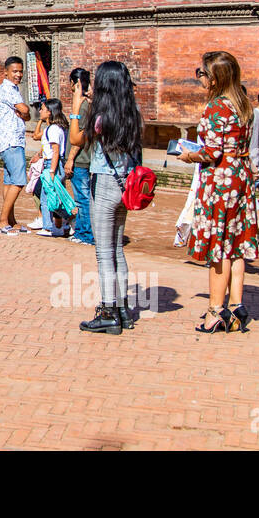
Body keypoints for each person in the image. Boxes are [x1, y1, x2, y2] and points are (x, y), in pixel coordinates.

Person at [177, 51, 259, 333]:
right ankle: (236, 305)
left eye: (201, 73)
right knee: (236, 244)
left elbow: (212, 152)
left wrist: (189, 155)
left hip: (220, 180)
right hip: (240, 176)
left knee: (219, 244)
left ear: (214, 78)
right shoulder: (244, 105)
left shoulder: (217, 107)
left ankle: (215, 310)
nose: (199, 77)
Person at [73, 61, 143, 334]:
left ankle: (108, 311)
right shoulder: (132, 112)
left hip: (103, 183)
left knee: (103, 252)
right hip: (124, 183)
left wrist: (76, 106)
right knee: (117, 249)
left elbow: (77, 139)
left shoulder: (100, 116)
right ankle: (123, 309)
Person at [0, 56, 31, 235]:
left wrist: (24, 113)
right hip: (11, 140)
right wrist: (24, 112)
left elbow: (26, 114)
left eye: (20, 71)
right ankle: (1, 220)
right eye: (14, 71)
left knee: (9, 181)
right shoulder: (7, 89)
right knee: (19, 180)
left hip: (11, 141)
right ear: (6, 72)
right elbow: (25, 110)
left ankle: (10, 220)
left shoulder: (13, 90)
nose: (18, 75)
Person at [31, 98, 71, 237]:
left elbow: (55, 151)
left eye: (42, 109)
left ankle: (65, 219)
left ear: (49, 112)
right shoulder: (52, 128)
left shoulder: (54, 129)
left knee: (49, 197)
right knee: (49, 197)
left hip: (52, 165)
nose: (40, 111)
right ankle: (51, 226)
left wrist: (52, 170)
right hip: (51, 164)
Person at [65, 67, 94, 247]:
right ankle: (83, 231)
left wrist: (70, 159)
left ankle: (86, 234)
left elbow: (79, 137)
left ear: (74, 84)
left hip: (81, 160)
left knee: (83, 199)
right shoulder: (87, 104)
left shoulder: (83, 106)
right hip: (83, 159)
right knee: (83, 197)